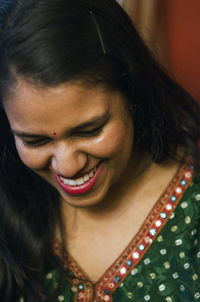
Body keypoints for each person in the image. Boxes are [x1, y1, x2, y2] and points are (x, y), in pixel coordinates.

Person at [0, 0, 200, 301]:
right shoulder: (11, 206)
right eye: (35, 141)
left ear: (133, 93)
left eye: (90, 130)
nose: (68, 166)